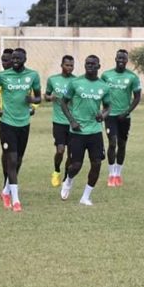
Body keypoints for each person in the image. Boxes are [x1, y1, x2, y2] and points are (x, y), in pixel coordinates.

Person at [0, 47, 41, 212]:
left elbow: (39, 97)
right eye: (14, 58)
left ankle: (5, 191)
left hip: (24, 123)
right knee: (11, 158)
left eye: (18, 58)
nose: (15, 60)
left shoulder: (33, 75)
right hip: (7, 123)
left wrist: (32, 99)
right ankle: (15, 200)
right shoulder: (2, 76)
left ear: (25, 59)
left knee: (18, 159)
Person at [58, 55, 110, 206]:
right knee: (76, 165)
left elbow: (107, 106)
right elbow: (63, 102)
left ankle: (85, 197)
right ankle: (68, 180)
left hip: (95, 132)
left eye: (93, 64)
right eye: (87, 63)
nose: (90, 66)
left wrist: (103, 115)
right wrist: (72, 121)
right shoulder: (75, 83)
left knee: (97, 164)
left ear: (99, 66)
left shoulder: (104, 86)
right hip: (77, 132)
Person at [101, 49, 141, 187]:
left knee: (122, 144)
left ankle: (118, 174)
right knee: (112, 143)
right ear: (115, 58)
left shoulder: (132, 77)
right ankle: (111, 174)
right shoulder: (106, 75)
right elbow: (100, 93)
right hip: (110, 115)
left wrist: (127, 111)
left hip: (124, 117)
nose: (121, 60)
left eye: (124, 58)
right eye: (119, 58)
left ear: (127, 60)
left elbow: (137, 97)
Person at [44, 55, 76, 187]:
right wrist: (50, 97)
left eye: (71, 65)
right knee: (60, 150)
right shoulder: (53, 80)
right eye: (67, 65)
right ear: (61, 65)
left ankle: (65, 178)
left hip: (73, 121)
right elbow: (45, 95)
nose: (69, 67)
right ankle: (56, 170)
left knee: (71, 154)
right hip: (58, 121)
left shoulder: (77, 81)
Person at [0, 48, 14, 192]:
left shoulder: (23, 77)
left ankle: (11, 182)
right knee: (6, 152)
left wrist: (32, 107)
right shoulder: (1, 76)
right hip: (5, 120)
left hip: (21, 121)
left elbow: (32, 95)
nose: (4, 63)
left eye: (6, 60)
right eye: (2, 60)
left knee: (17, 155)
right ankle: (6, 180)